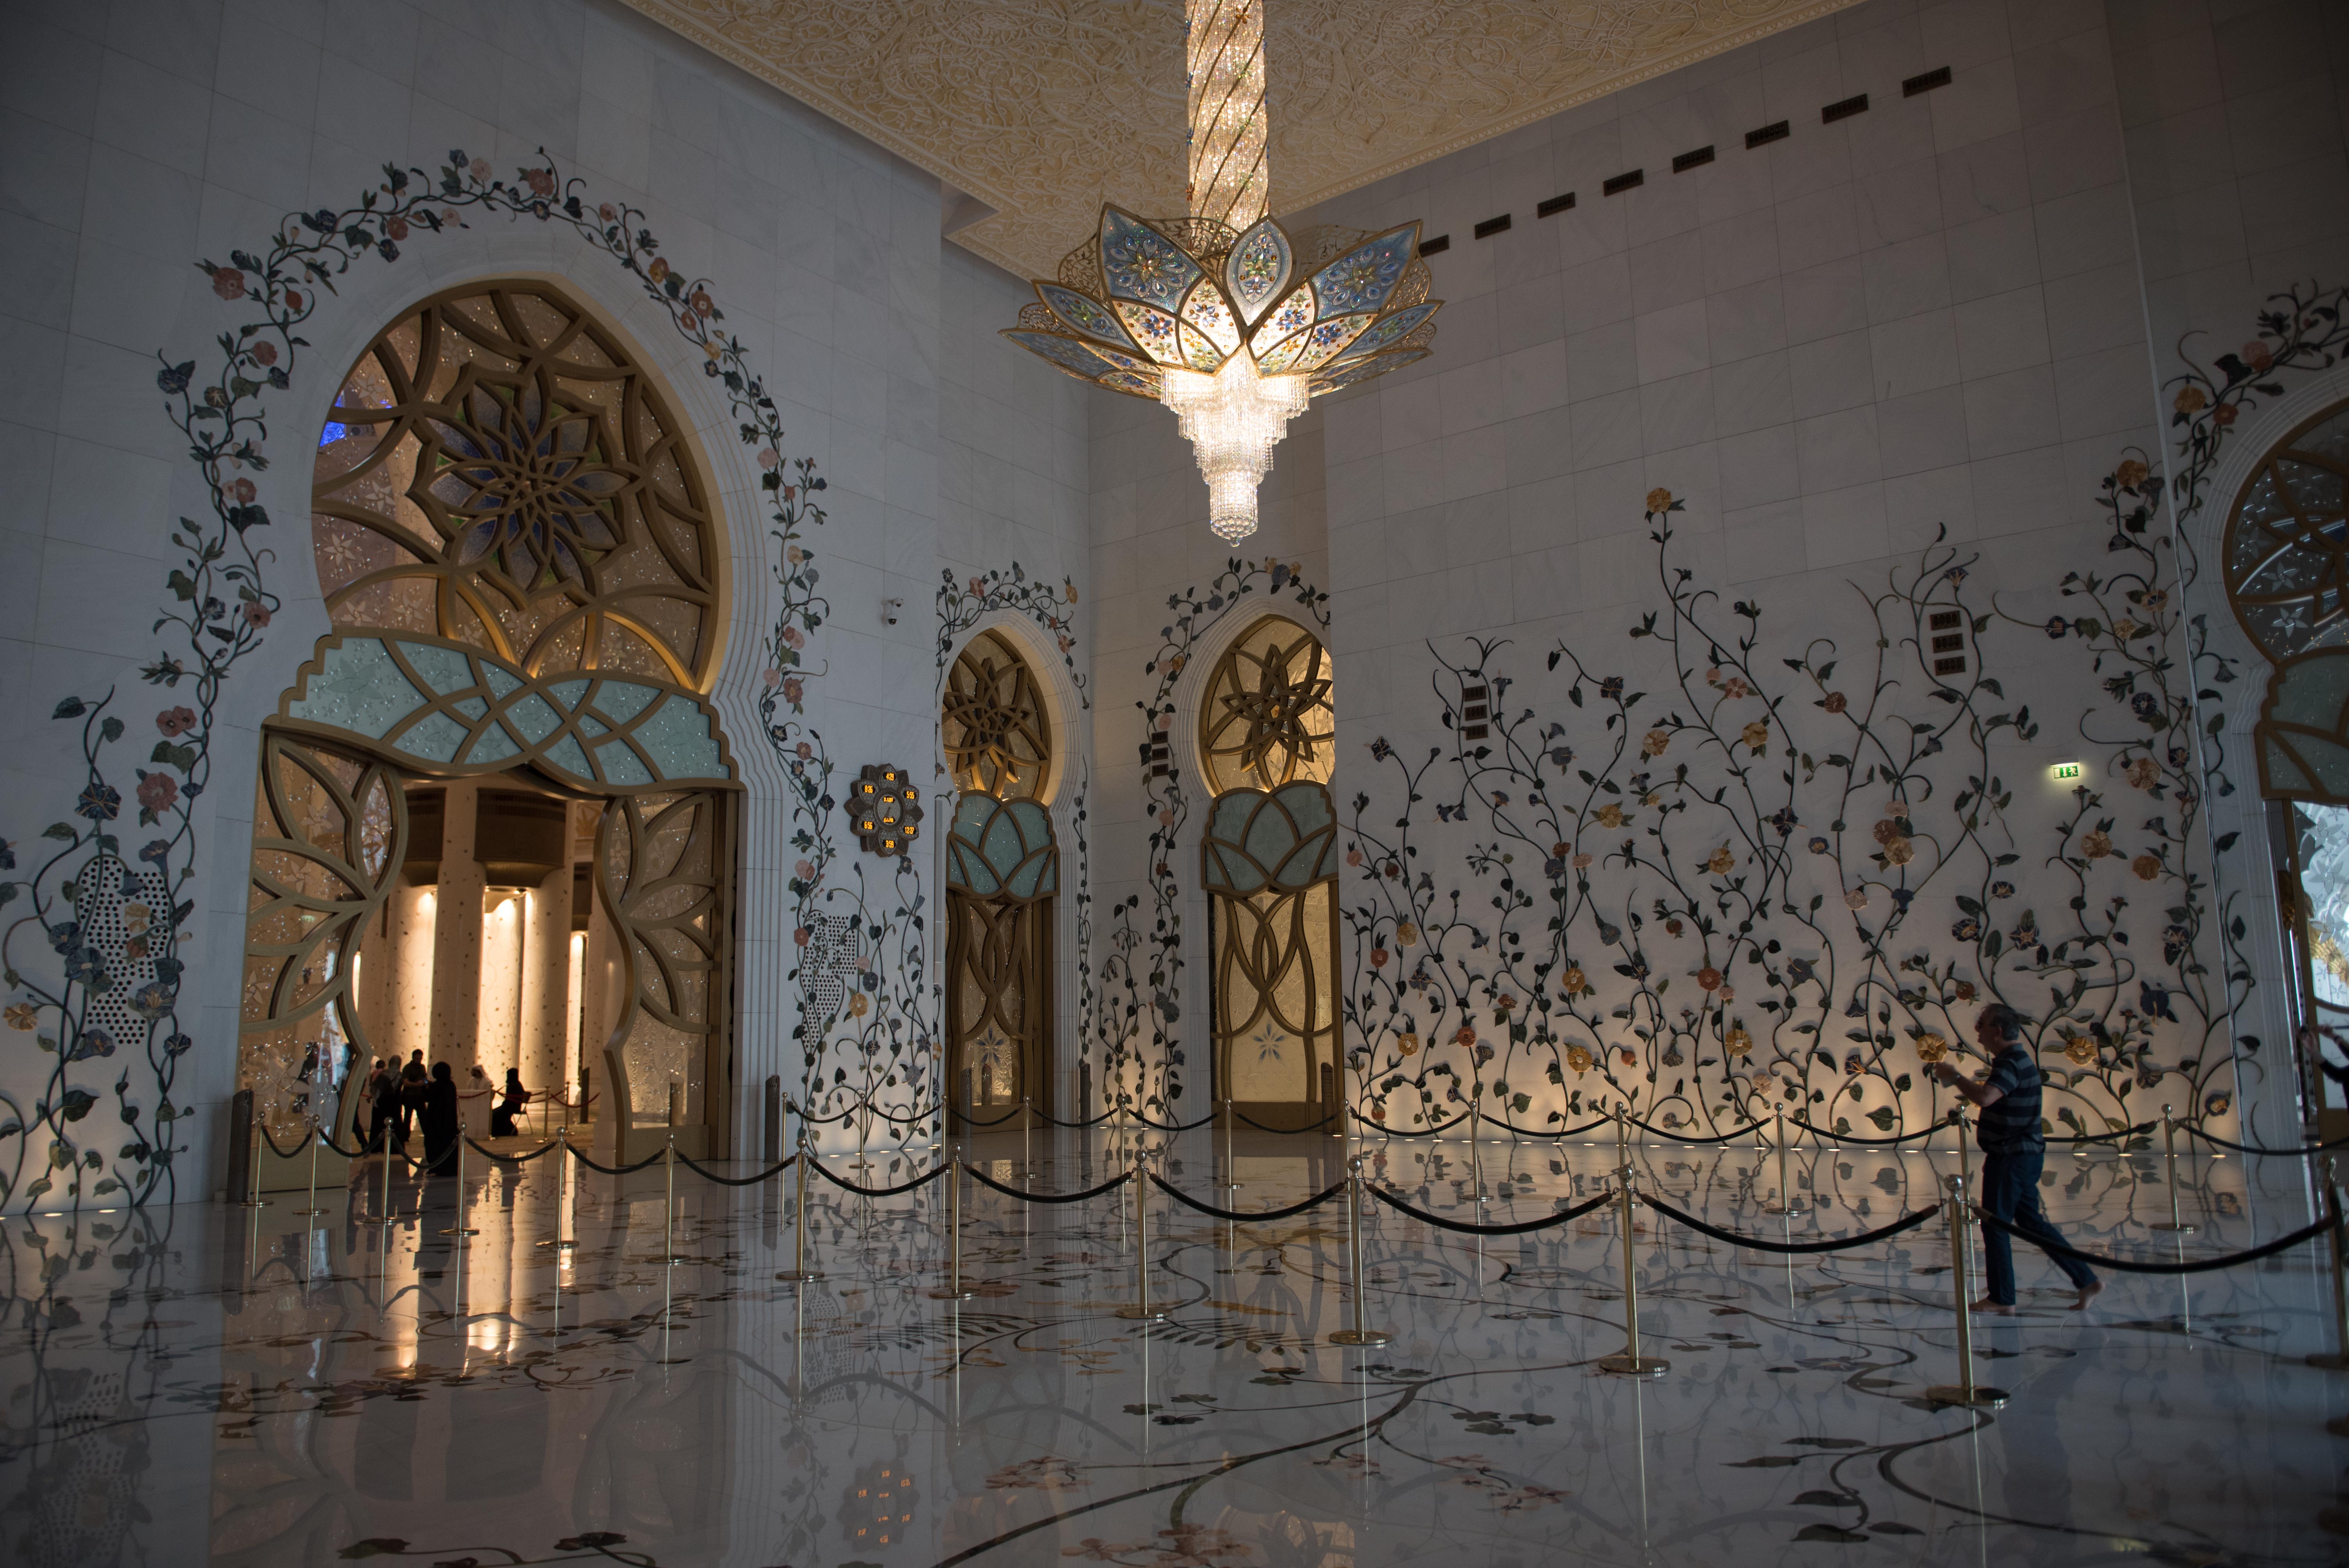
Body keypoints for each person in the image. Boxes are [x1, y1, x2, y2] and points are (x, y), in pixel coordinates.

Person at [1934, 1003, 2101, 1314]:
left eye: (1982, 1025)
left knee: (1995, 1225)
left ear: (1997, 1031)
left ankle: (2002, 1298)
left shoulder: (2011, 1063)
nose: (1977, 1031)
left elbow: (1985, 1097)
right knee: (2031, 1223)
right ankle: (2086, 1279)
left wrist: (1954, 1075)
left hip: (2011, 1158)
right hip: (2024, 1156)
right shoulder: (2015, 1061)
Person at [419, 1061, 460, 1176]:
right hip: (449, 1123)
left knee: (434, 1145)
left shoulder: (436, 1086)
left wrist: (424, 1087)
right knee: (448, 1146)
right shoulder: (451, 1086)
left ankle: (435, 1167)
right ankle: (449, 1168)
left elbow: (427, 1097)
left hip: (435, 1123)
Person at [365, 1059, 395, 1153]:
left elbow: (373, 1087)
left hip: (378, 1102)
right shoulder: (386, 1075)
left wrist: (373, 1098)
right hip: (385, 1102)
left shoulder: (374, 1074)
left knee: (376, 1126)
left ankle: (375, 1147)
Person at [490, 1067, 529, 1139]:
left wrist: (504, 1105)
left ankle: (503, 1132)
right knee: (493, 1113)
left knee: (496, 1114)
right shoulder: (514, 1084)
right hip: (509, 1106)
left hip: (513, 1107)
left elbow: (511, 1100)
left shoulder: (515, 1085)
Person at [398, 1050, 428, 1142]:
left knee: (423, 1117)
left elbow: (425, 1079)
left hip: (419, 1096)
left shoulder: (422, 1067)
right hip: (409, 1096)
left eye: (420, 1059)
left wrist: (425, 1083)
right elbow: (405, 1082)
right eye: (417, 1059)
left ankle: (427, 1134)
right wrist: (417, 1085)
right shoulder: (408, 1068)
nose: (419, 1061)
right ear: (413, 1058)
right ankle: (405, 1136)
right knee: (408, 1117)